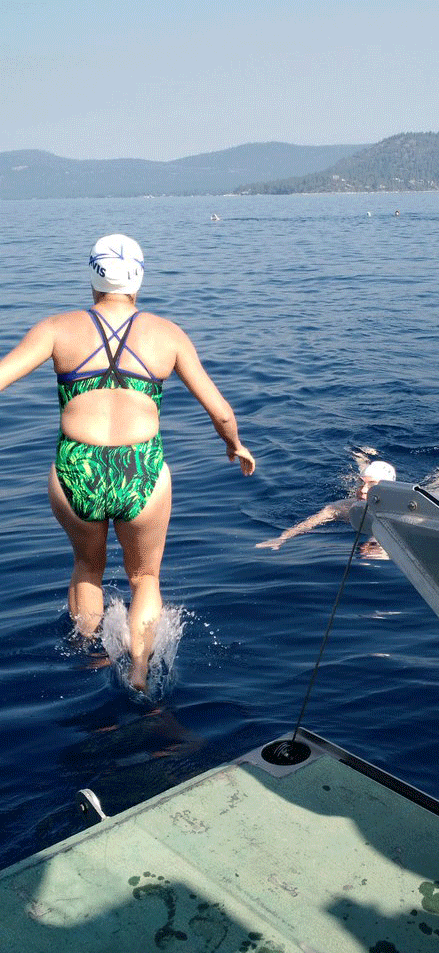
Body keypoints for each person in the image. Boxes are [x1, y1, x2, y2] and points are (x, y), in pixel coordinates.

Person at [0, 234, 255, 691]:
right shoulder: (167, 334)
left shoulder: (56, 328)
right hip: (143, 468)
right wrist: (234, 444)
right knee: (145, 577)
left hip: (76, 467)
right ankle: (138, 671)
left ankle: (90, 661)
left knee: (87, 568)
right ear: (139, 275)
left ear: (92, 274)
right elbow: (221, 411)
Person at [256, 460, 396, 553]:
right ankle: (361, 459)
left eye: (372, 485)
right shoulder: (343, 508)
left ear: (386, 489)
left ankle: (363, 460)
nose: (363, 490)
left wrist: (373, 544)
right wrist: (283, 538)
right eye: (361, 483)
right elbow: (311, 522)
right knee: (360, 473)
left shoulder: (396, 511)